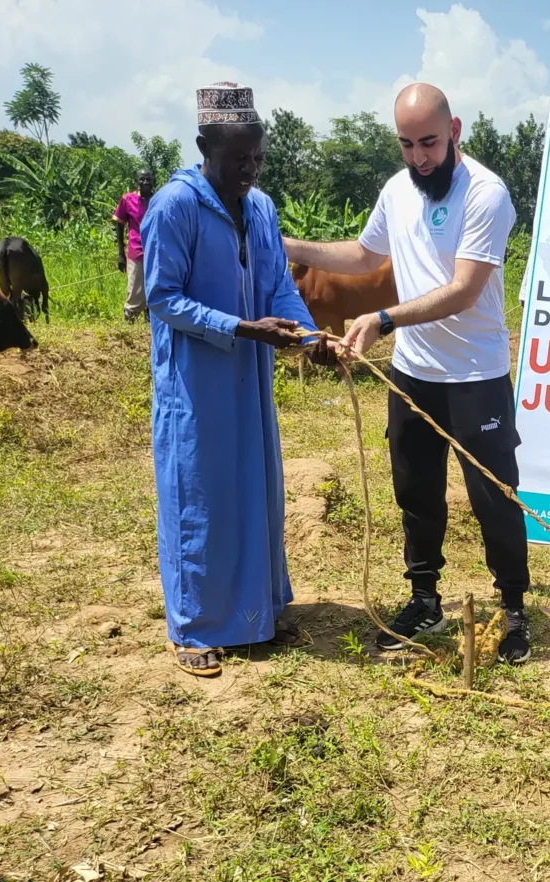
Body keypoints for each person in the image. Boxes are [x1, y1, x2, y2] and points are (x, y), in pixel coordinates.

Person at [284, 84, 532, 663]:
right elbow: (366, 256)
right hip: (414, 373)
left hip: (475, 373)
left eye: (429, 142)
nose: (420, 158)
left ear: (455, 131)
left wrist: (383, 317)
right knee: (416, 492)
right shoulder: (397, 190)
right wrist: (288, 244)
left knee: (494, 496)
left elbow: (466, 289)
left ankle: (515, 607)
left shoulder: (486, 195)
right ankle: (424, 598)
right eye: (407, 145)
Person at [141, 82, 333, 677]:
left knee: (254, 492)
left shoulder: (261, 207)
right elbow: (163, 298)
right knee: (199, 497)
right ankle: (194, 627)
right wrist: (244, 329)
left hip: (248, 382)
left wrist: (308, 337)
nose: (248, 170)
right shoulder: (174, 207)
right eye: (236, 159)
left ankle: (258, 615)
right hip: (197, 386)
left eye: (256, 158)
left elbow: (278, 285)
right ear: (204, 147)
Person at [115, 169, 155, 323]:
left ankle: (148, 325)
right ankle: (129, 324)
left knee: (153, 289)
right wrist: (120, 254)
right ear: (137, 181)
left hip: (155, 253)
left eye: (148, 179)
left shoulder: (157, 199)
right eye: (142, 179)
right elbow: (119, 225)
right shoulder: (128, 199)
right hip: (136, 251)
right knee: (135, 290)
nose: (145, 183)